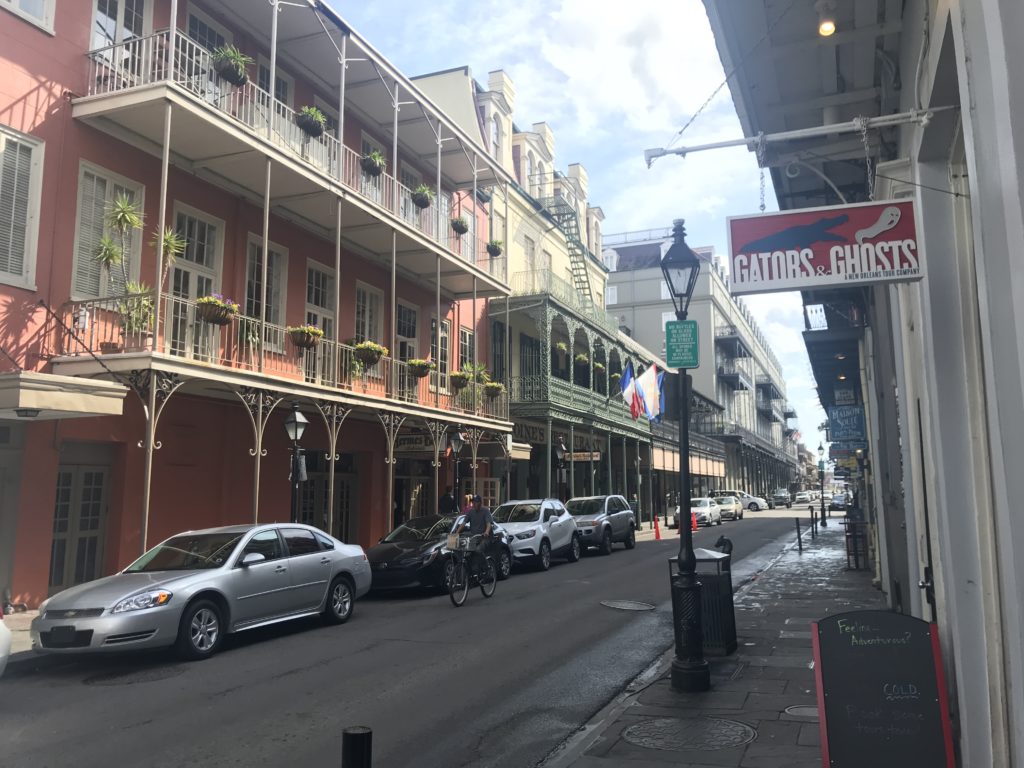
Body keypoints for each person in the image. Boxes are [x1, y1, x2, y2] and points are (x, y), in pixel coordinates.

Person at [455, 494, 493, 577]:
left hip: (484, 537)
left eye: (476, 502)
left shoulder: (485, 511)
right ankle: (472, 571)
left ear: (480, 503)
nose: (474, 504)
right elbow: (463, 523)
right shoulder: (470, 512)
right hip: (474, 537)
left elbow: (488, 523)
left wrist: (486, 532)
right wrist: (457, 532)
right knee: (465, 551)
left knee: (478, 550)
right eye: (473, 502)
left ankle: (487, 568)